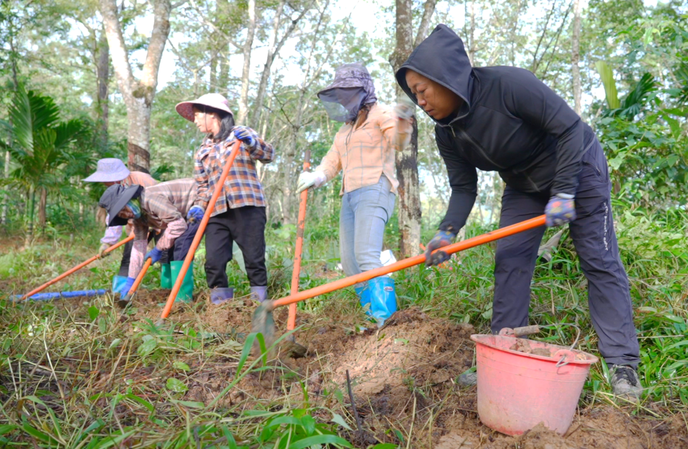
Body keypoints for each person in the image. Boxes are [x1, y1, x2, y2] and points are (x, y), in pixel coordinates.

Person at [395, 24, 643, 399]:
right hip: (523, 186)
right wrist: (447, 231)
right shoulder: (447, 132)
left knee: (598, 258)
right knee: (510, 259)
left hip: (577, 167)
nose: (421, 101)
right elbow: (463, 186)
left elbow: (571, 129)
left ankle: (623, 364)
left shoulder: (509, 85)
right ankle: (502, 354)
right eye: (414, 95)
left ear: (445, 77)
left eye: (422, 90)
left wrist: (563, 191)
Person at [296, 63, 412, 326]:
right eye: (341, 93)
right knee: (350, 264)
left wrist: (403, 122)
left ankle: (386, 323)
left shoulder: (382, 114)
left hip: (375, 188)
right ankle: (370, 318)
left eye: (348, 92)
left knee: (367, 255)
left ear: (363, 90)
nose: (344, 98)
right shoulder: (345, 130)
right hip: (349, 196)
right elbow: (332, 161)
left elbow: (398, 142)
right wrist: (316, 176)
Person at [175, 93, 275, 304]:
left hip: (246, 205)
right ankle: (221, 308)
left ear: (212, 114)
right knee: (214, 261)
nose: (195, 121)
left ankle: (259, 304)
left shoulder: (241, 134)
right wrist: (198, 206)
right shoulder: (202, 150)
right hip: (217, 211)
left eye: (197, 115)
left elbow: (268, 155)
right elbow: (203, 187)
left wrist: (251, 143)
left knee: (253, 258)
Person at [98, 179, 201, 302]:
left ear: (129, 200)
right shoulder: (138, 218)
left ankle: (183, 299)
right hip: (180, 214)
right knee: (170, 248)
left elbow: (178, 224)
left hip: (199, 200)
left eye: (124, 209)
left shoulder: (150, 199)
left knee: (181, 244)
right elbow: (138, 249)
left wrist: (158, 248)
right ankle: (170, 292)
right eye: (121, 215)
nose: (126, 215)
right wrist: (130, 281)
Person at [84, 158, 158, 293]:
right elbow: (114, 216)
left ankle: (169, 290)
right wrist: (108, 242)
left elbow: (160, 202)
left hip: (161, 221)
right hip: (136, 227)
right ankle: (121, 293)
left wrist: (152, 226)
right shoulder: (114, 189)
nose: (104, 183)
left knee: (166, 255)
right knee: (128, 258)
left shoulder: (143, 180)